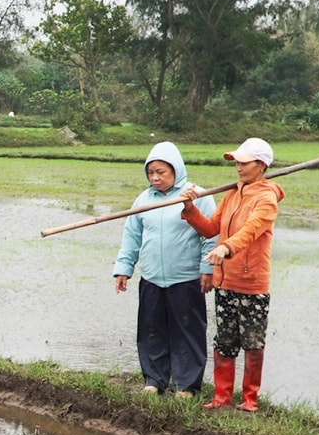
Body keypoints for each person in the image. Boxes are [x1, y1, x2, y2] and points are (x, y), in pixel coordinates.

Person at [180, 137, 284, 413]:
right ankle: (221, 396)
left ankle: (250, 398)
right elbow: (210, 228)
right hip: (225, 281)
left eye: (244, 163)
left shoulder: (267, 198)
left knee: (252, 341)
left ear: (260, 165)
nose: (238, 167)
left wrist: (226, 248)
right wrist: (190, 209)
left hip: (252, 283)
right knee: (224, 339)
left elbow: (251, 230)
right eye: (236, 162)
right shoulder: (232, 194)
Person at [112, 142, 216, 397]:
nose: (155, 177)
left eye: (161, 172)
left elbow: (211, 235)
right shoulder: (144, 199)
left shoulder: (196, 196)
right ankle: (154, 379)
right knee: (151, 329)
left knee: (187, 331)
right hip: (152, 278)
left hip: (186, 278)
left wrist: (207, 269)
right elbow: (132, 236)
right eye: (151, 173)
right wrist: (124, 268)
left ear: (176, 170)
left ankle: (186, 385)